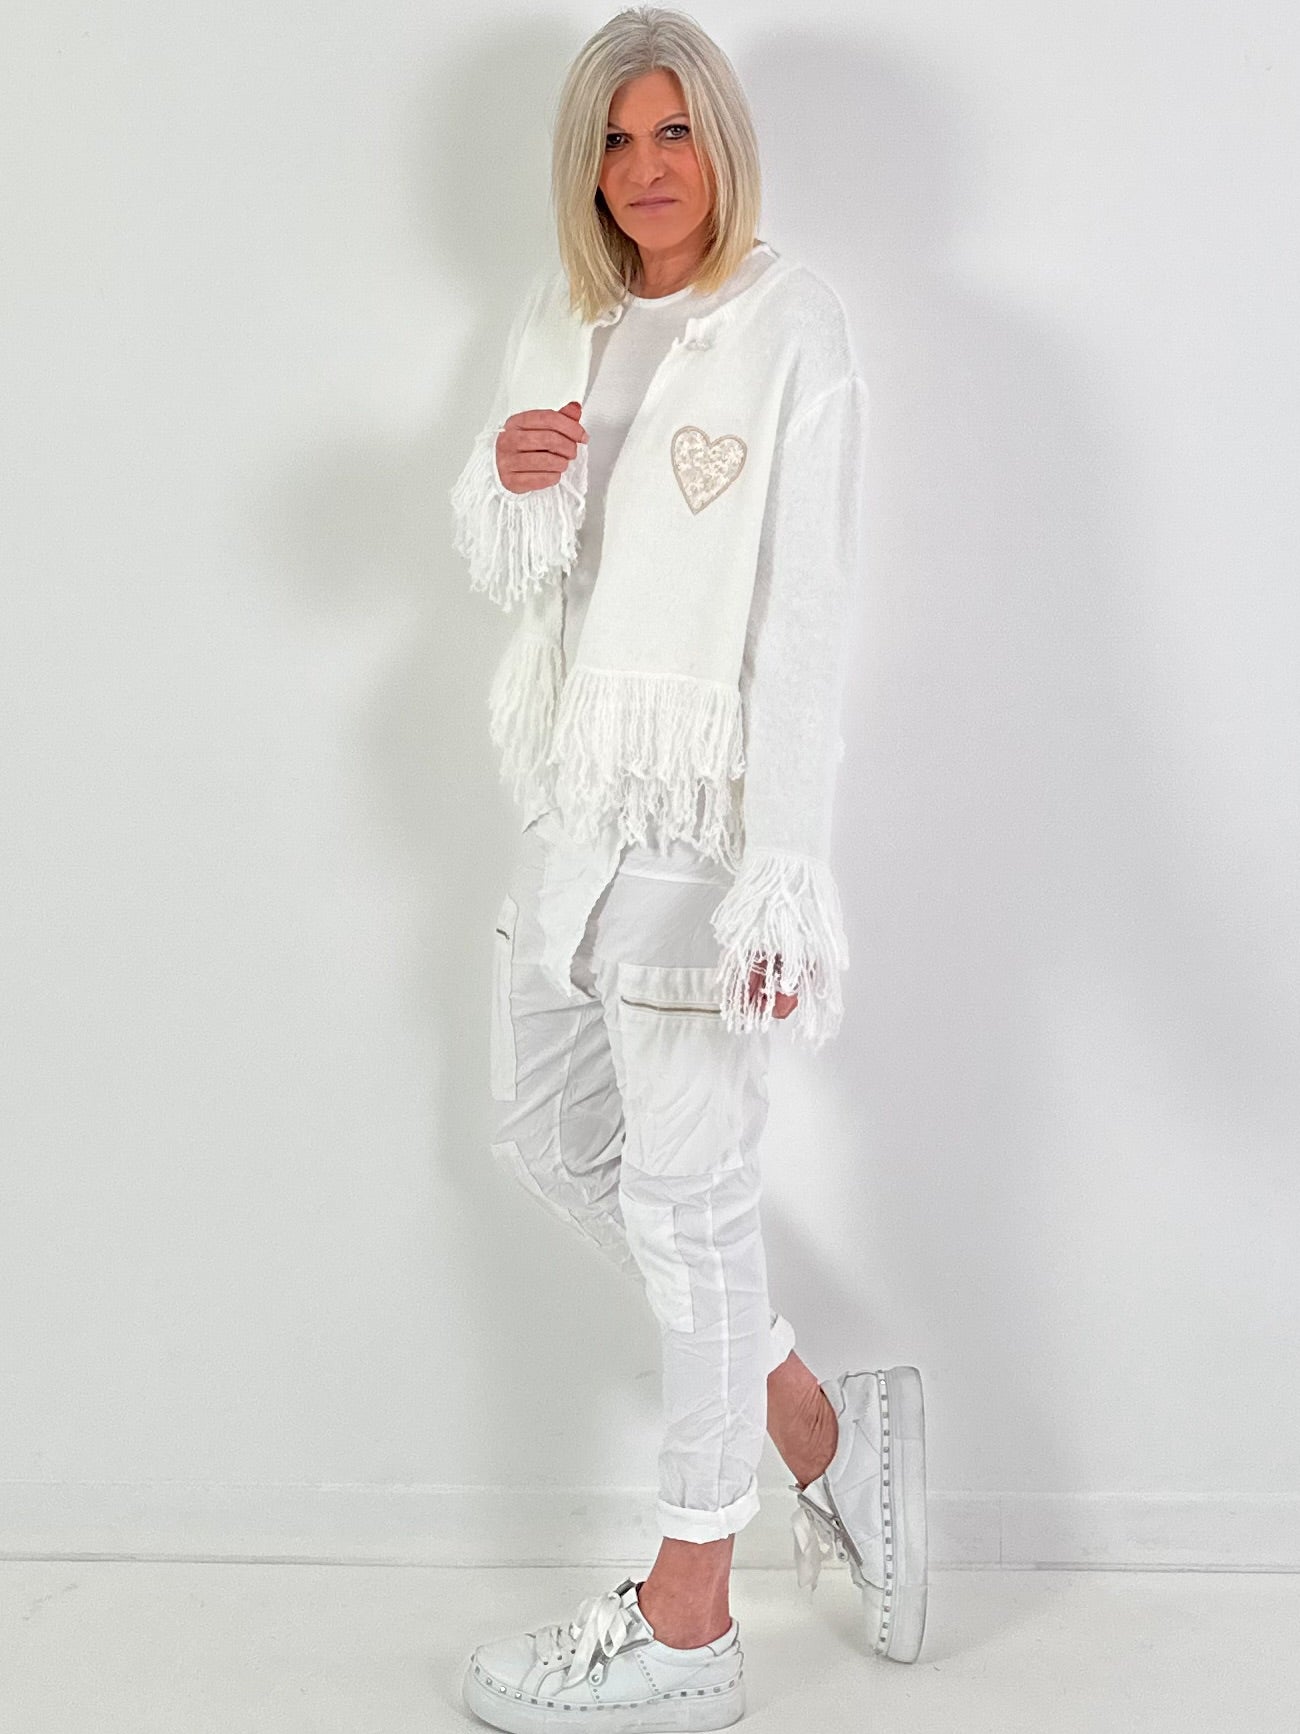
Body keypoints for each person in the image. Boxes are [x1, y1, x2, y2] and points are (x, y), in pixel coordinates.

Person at [450, 9, 927, 1728]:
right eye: (614, 140)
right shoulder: (564, 315)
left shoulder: (793, 327)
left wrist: (780, 872)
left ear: (721, 143)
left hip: (706, 823)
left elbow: (805, 621)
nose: (644, 168)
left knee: (691, 1201)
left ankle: (692, 1616)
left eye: (672, 133)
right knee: (550, 1136)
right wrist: (511, 479)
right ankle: (816, 1423)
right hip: (578, 802)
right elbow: (525, 560)